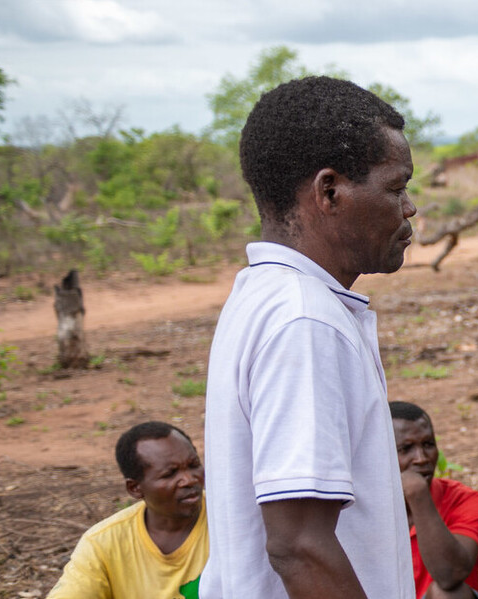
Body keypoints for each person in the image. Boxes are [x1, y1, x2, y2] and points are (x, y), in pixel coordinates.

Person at [202, 76, 415, 599]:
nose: (409, 207)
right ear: (329, 192)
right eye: (395, 187)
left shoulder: (269, 297)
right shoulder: (304, 321)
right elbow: (298, 544)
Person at [48, 422, 208, 599]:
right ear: (135, 488)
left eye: (193, 465)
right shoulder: (104, 543)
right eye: (170, 474)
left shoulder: (232, 521)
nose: (189, 480)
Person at [389, 402, 478, 599]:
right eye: (406, 448)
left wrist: (418, 496)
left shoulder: (463, 500)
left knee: (449, 594)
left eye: (428, 445)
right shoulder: (354, 506)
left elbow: (450, 575)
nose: (421, 458)